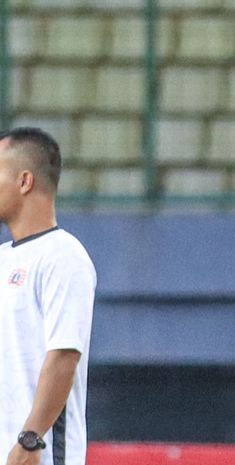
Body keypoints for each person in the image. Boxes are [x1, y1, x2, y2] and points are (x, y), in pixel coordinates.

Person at [0, 128, 96, 465]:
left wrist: (30, 440)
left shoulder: (63, 256)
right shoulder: (3, 258)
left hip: (38, 455)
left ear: (24, 181)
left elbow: (63, 356)